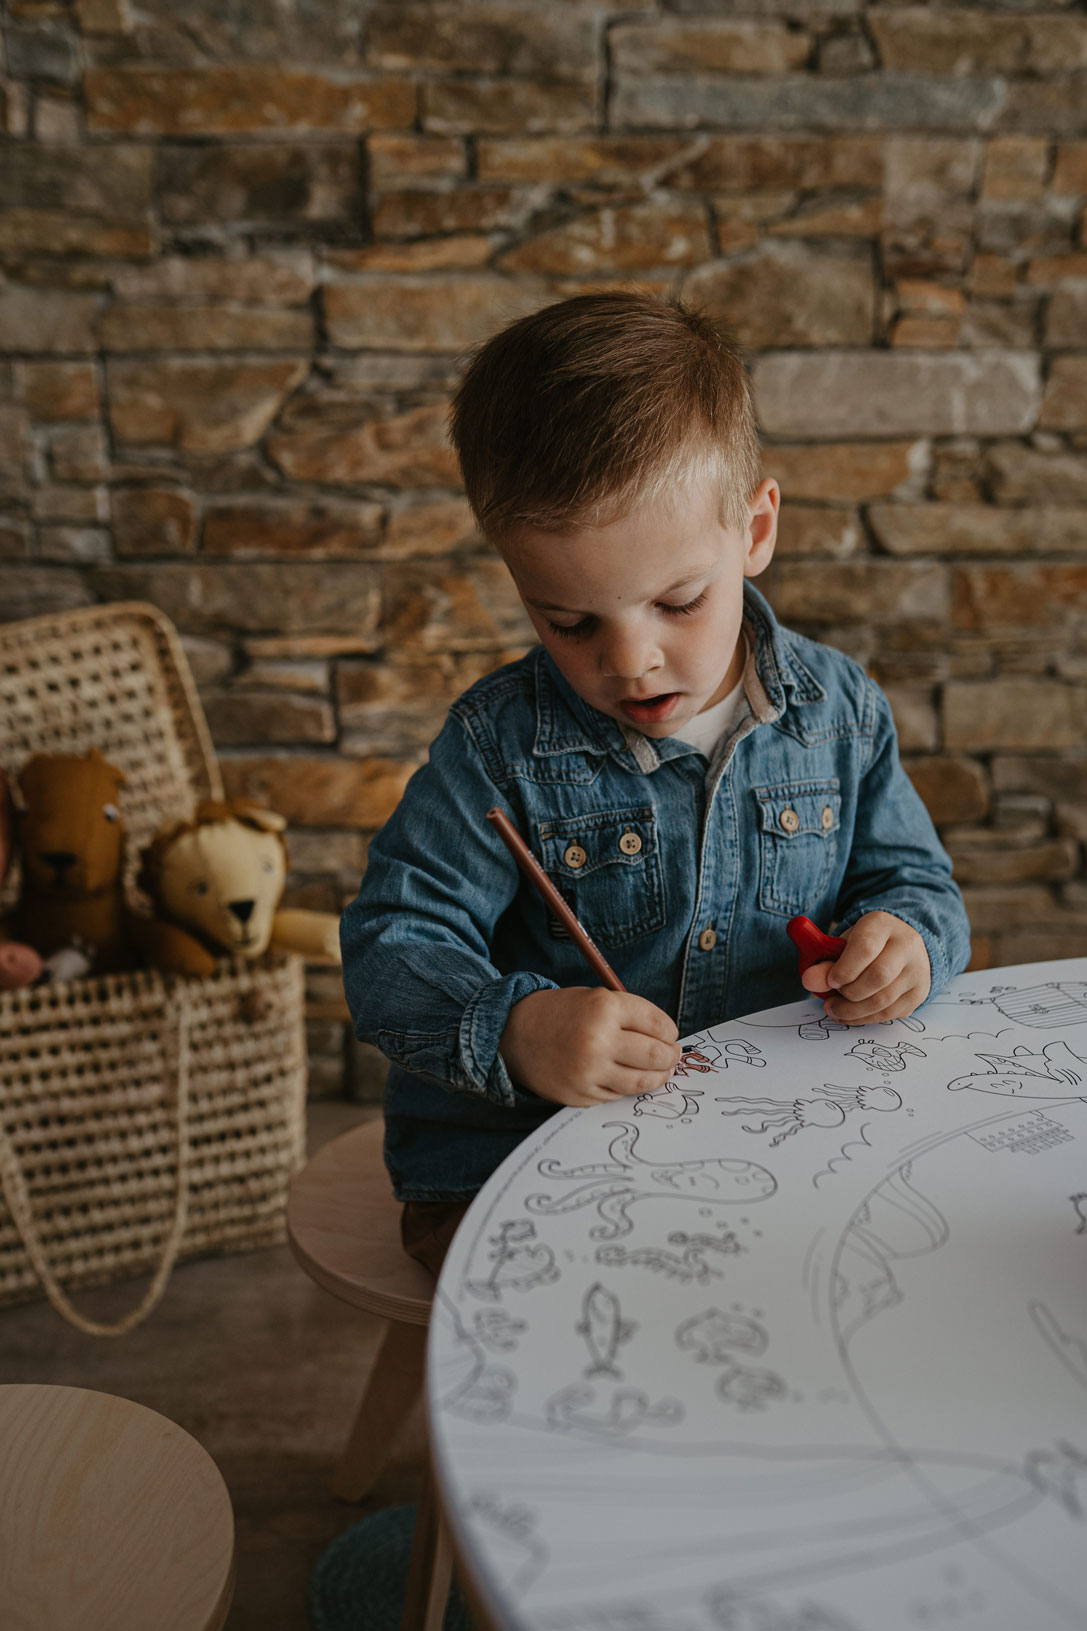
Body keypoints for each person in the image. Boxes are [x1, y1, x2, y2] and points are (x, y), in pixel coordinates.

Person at [340, 290, 971, 1277]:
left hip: (774, 1141)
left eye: (677, 601)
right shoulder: (495, 747)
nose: (631, 662)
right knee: (662, 1294)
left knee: (925, 1250)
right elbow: (389, 945)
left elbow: (919, 891)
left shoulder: (839, 713)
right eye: (569, 620)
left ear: (754, 529)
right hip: (517, 1162)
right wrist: (516, 1029)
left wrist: (905, 946)